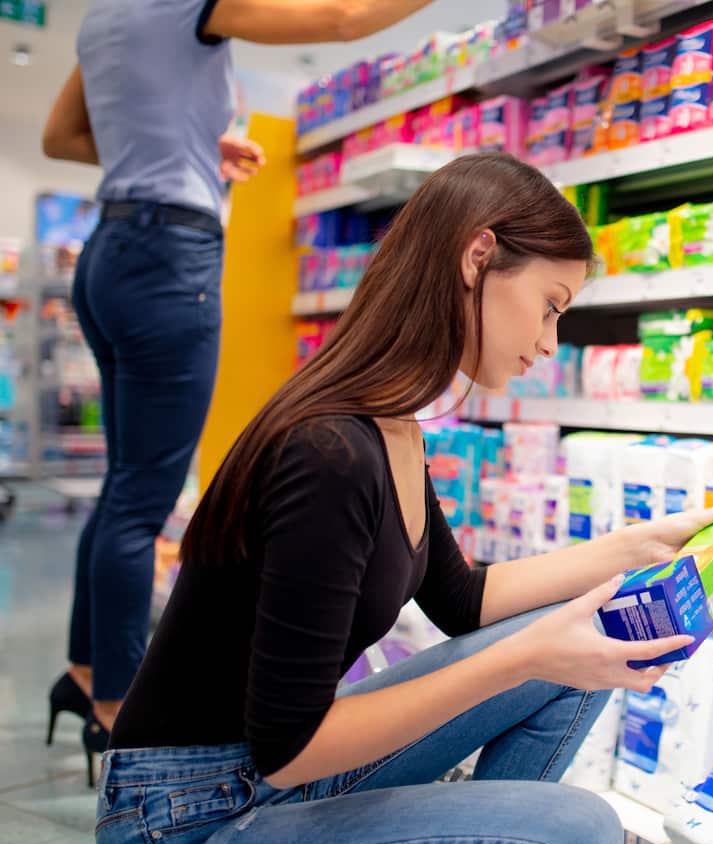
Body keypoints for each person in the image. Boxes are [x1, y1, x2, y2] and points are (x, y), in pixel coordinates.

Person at [92, 152, 713, 844]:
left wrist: (637, 547)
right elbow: (291, 744)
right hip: (185, 815)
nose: (551, 342)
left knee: (597, 636)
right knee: (580, 826)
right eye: (550, 306)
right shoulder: (331, 451)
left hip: (262, 775)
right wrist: (525, 657)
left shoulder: (392, 423)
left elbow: (461, 599)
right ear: (478, 256)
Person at [40, 0, 456, 774]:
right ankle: (117, 721)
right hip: (171, 256)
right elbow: (340, 17)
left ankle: (87, 672)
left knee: (122, 486)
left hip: (110, 251)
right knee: (143, 498)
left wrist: (185, 145)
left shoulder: (103, 17)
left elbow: (60, 137)